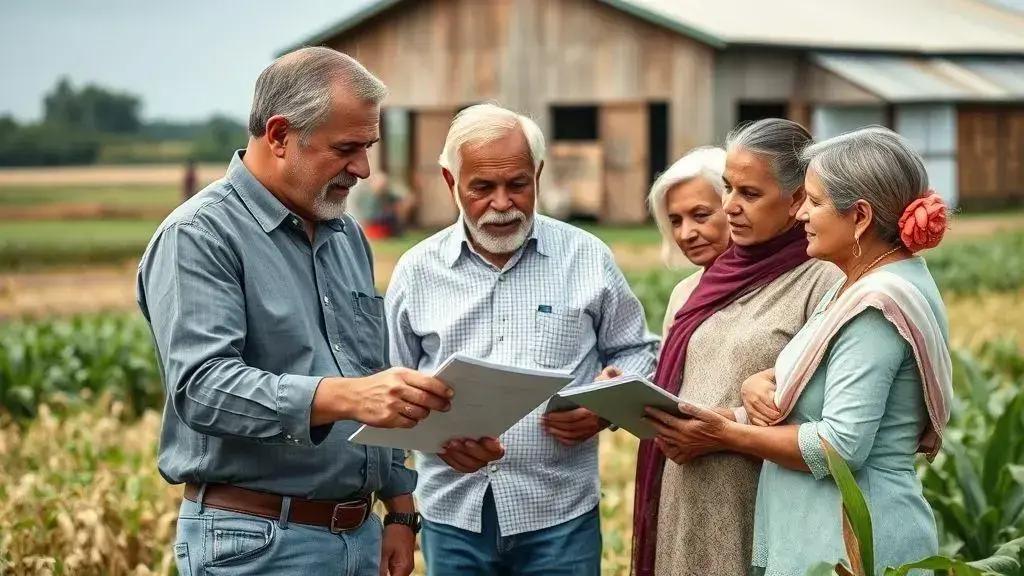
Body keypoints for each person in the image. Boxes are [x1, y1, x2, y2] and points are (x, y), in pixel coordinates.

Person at [137, 47, 454, 576]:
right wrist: (347, 397)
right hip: (257, 542)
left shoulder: (344, 232)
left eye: (369, 146)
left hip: (360, 534)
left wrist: (400, 511)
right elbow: (202, 388)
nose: (364, 168)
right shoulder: (200, 236)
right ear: (280, 136)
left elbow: (369, 374)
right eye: (347, 148)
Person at [646, 127, 952, 575]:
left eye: (814, 201)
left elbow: (839, 445)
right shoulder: (857, 284)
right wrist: (752, 390)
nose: (801, 213)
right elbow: (812, 392)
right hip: (819, 536)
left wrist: (724, 435)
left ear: (860, 217)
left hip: (853, 540)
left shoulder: (876, 305)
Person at [385, 103, 658, 575]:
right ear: (451, 183)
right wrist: (415, 476)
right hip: (453, 515)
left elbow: (638, 351)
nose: (502, 204)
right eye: (482, 188)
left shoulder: (586, 257)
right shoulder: (416, 272)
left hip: (560, 515)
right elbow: (388, 390)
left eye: (517, 184)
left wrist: (604, 408)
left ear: (538, 174)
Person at [631, 119, 843, 576]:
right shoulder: (704, 283)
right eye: (727, 189)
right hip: (684, 498)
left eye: (748, 194)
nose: (729, 206)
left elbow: (831, 413)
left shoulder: (822, 280)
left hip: (760, 501)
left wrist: (727, 425)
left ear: (797, 200)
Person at [646, 146, 731, 337]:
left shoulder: (783, 283)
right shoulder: (684, 293)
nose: (686, 234)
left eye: (700, 215)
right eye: (675, 221)